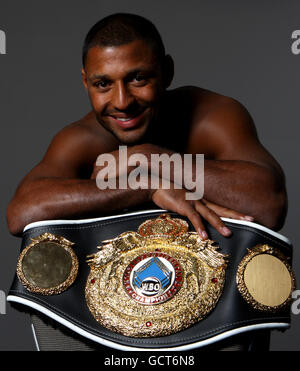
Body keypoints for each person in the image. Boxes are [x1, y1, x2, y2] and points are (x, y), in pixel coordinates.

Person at [6, 13, 287, 351]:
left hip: (213, 326)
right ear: (85, 82)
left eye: (138, 78)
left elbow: (268, 204)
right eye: (102, 84)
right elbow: (21, 211)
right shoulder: (82, 138)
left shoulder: (212, 116)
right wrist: (148, 187)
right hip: (107, 329)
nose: (122, 101)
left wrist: (150, 156)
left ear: (166, 71)